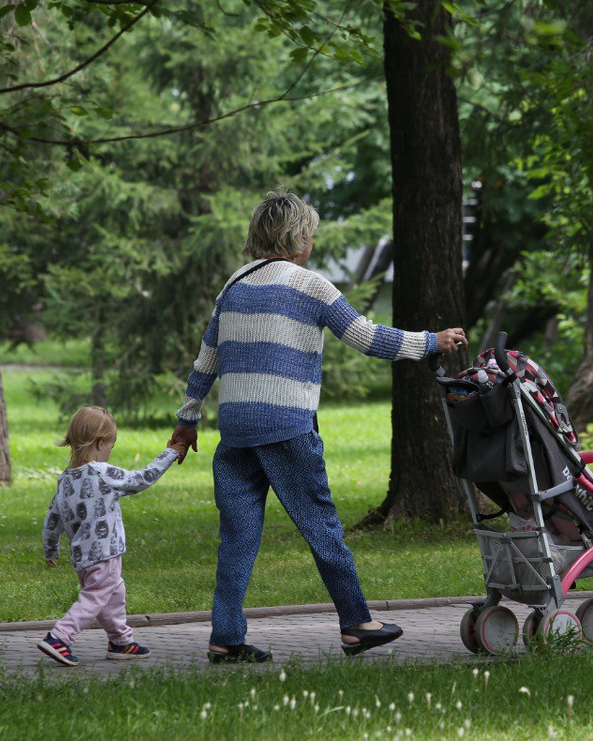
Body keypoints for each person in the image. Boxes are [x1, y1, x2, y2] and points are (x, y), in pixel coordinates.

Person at [169, 187, 466, 663]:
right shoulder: (311, 286)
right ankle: (356, 624)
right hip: (287, 427)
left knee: (238, 539)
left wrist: (187, 421)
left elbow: (207, 361)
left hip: (236, 433)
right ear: (300, 238)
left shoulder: (233, 286)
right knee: (323, 529)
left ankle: (225, 637)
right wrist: (431, 341)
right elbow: (367, 337)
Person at [37, 405, 186, 666]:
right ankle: (59, 637)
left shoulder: (65, 480)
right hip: (105, 554)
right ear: (99, 442)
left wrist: (51, 549)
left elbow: (52, 518)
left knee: (113, 593)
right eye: (111, 447)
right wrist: (171, 453)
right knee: (95, 597)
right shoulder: (102, 473)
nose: (110, 452)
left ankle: (121, 641)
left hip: (82, 557)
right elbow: (143, 478)